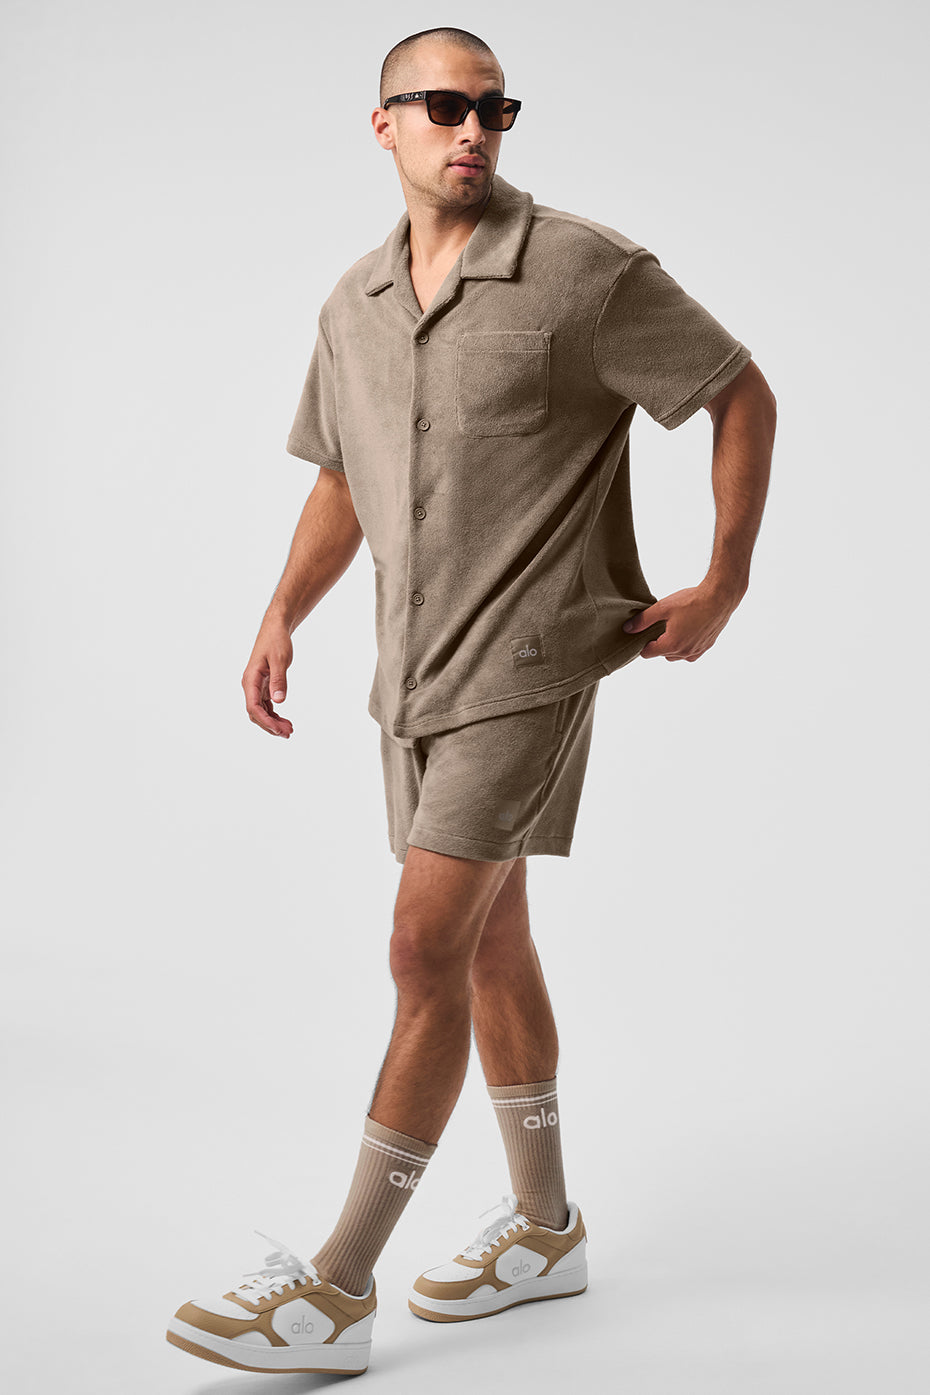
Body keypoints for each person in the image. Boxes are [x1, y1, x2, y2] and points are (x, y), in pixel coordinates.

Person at [166, 25, 776, 1377]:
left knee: (421, 950)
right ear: (381, 123)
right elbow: (343, 474)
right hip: (410, 676)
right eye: (442, 105)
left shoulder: (583, 270)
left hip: (532, 665)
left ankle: (335, 1288)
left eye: (493, 108)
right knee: (492, 945)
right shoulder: (355, 302)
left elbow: (737, 391)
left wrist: (724, 579)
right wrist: (281, 610)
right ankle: (546, 1232)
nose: (472, 129)